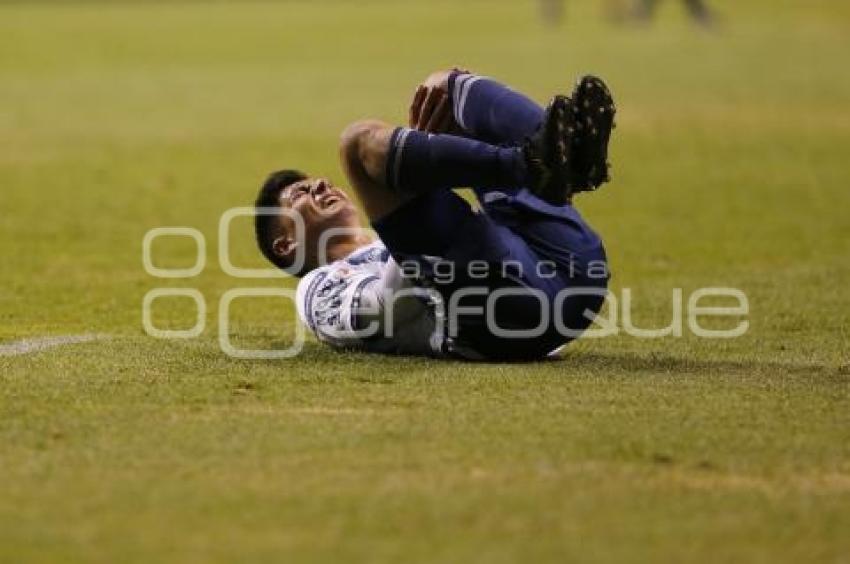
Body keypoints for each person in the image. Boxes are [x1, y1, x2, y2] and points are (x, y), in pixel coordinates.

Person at [253, 69, 616, 361]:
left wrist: (436, 158)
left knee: (444, 88)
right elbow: (386, 307)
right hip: (504, 318)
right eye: (301, 194)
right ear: (285, 244)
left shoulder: (398, 233)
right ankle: (531, 163)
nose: (321, 188)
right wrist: (425, 178)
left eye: (321, 183)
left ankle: (573, 162)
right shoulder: (316, 288)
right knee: (357, 143)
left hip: (571, 271)